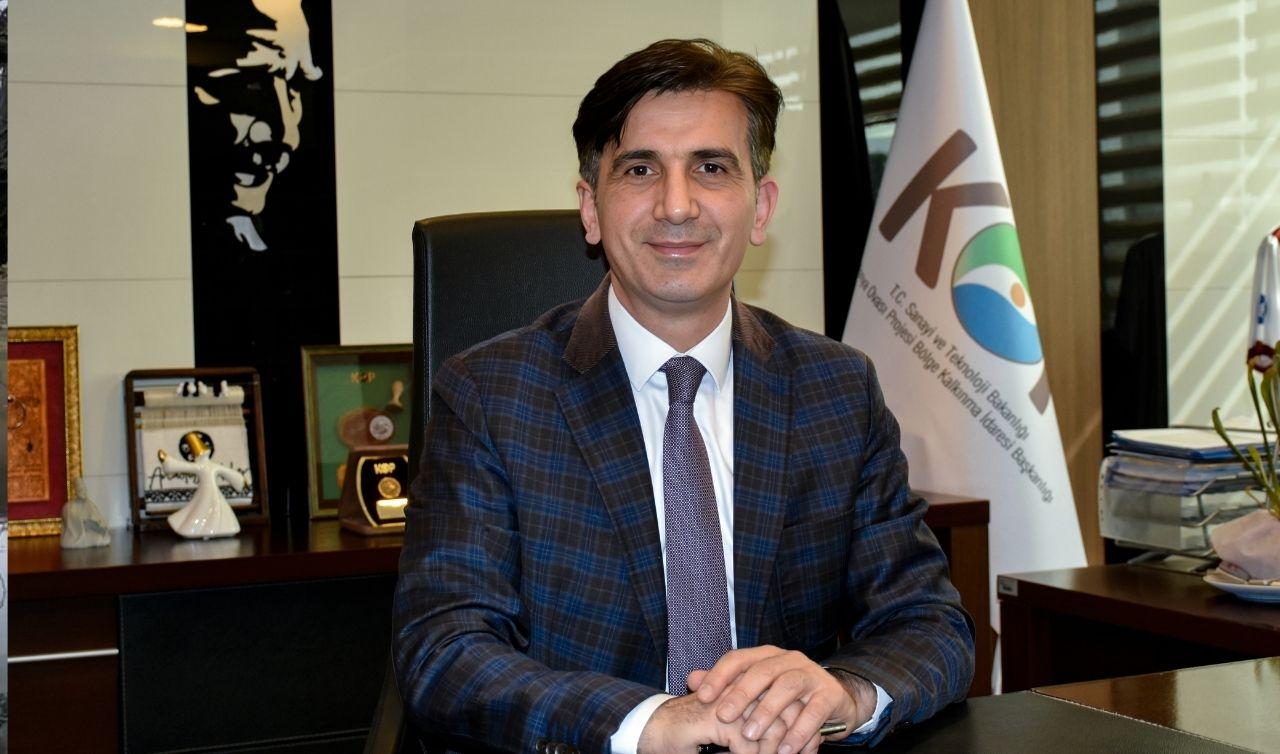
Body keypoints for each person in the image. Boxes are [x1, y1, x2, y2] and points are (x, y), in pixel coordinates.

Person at [394, 38, 974, 754]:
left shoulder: (837, 390)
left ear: (760, 208)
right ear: (591, 208)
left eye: (711, 167)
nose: (676, 205)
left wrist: (844, 693)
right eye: (640, 169)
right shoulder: (489, 396)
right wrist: (648, 723)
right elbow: (444, 650)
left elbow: (931, 624)